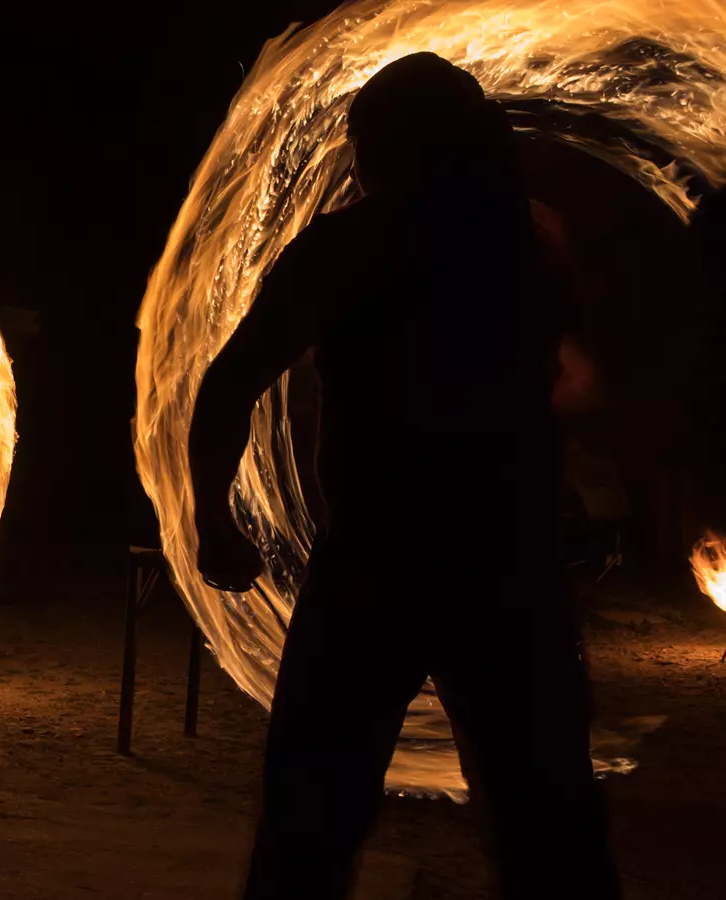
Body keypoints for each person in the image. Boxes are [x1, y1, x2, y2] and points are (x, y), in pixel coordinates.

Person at [189, 53, 621, 899]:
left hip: (379, 572)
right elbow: (578, 381)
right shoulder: (528, 244)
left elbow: (231, 381)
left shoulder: (354, 246)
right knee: (551, 831)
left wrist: (214, 517)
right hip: (507, 572)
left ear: (382, 145)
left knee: (308, 831)